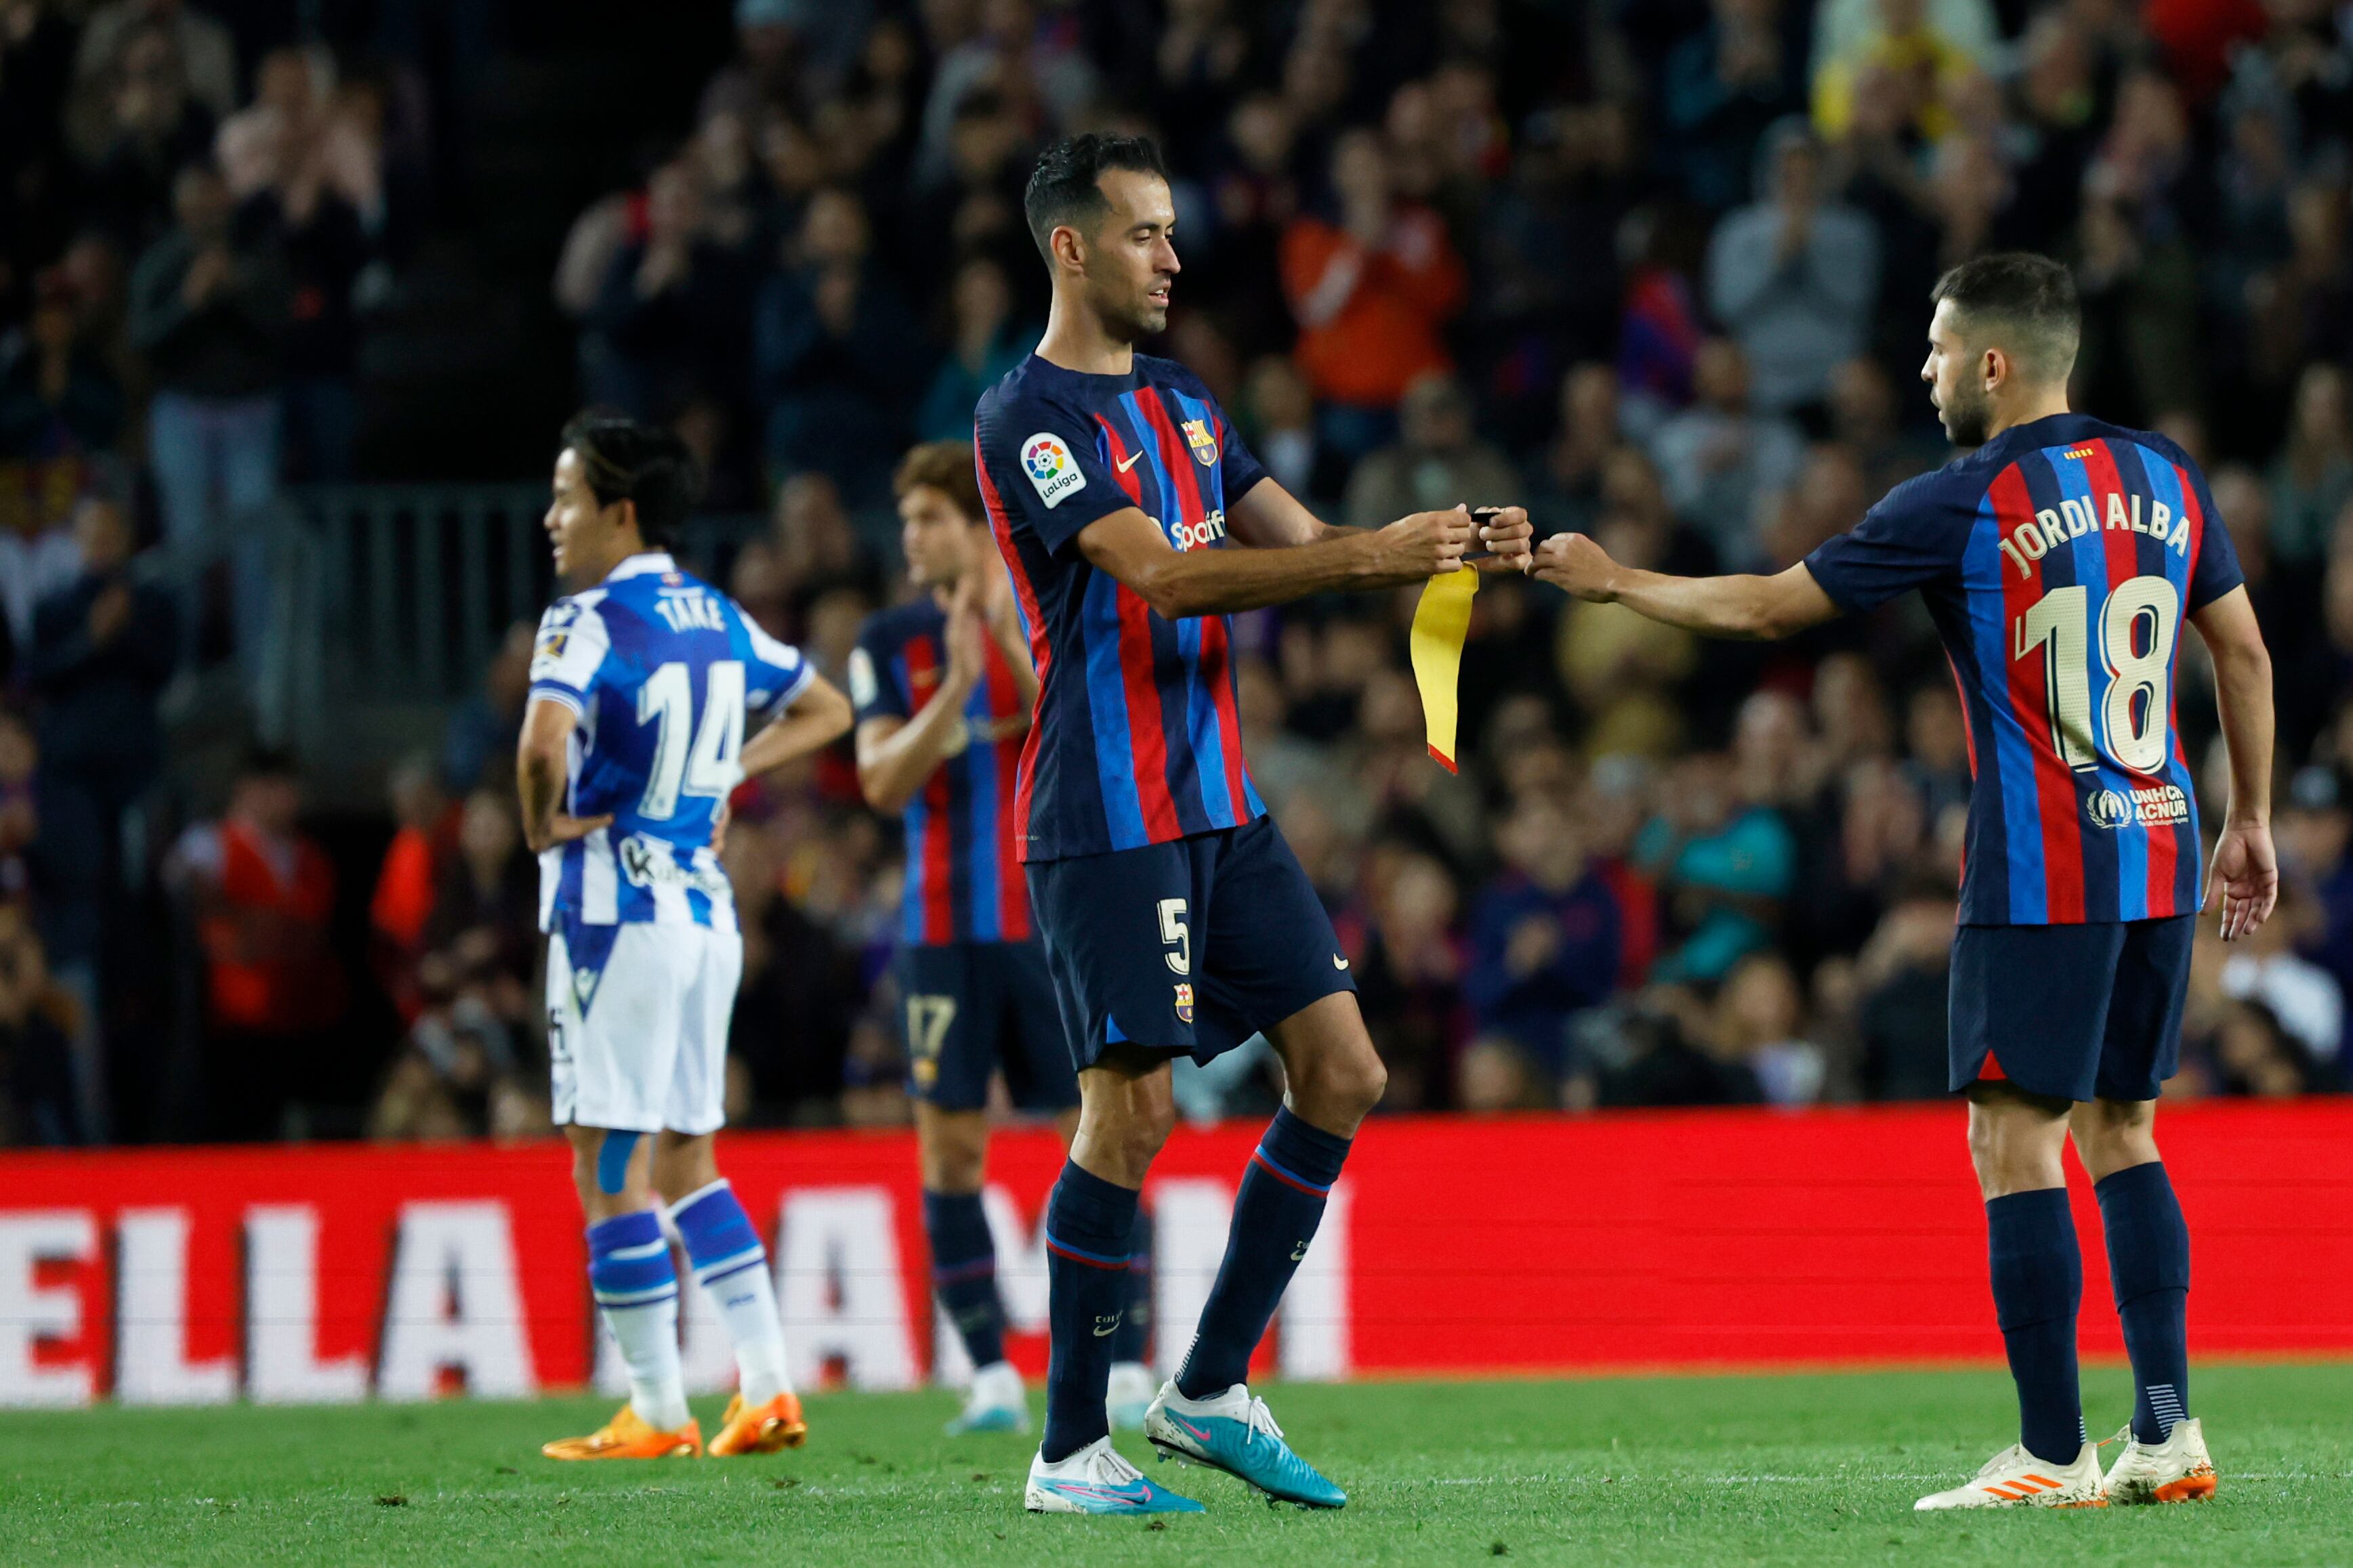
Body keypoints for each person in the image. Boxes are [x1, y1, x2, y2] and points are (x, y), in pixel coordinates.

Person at [1528, 253, 2274, 1510]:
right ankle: (2167, 1430)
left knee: (2010, 1136)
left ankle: (2050, 1457)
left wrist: (1616, 583)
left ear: (1992, 361)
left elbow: (1770, 611)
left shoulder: (1964, 498)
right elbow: (2242, 651)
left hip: (2042, 868)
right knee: (2125, 1131)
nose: (1924, 374)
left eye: (1934, 352)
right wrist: (2246, 818)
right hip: (2157, 843)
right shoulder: (2163, 473)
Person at [976, 134, 1531, 1516]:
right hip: (1109, 817)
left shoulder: (1186, 404)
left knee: (1343, 1072)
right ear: (1072, 248)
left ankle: (1210, 1389)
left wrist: (1446, 545)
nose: (1173, 256)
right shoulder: (1027, 420)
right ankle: (1066, 1457)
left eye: (1171, 232)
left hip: (1222, 806)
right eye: (1149, 233)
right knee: (1135, 1112)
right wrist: (1371, 553)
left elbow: (1306, 541)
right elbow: (1167, 578)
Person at [516, 410, 854, 1462]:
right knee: (688, 1158)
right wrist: (730, 776)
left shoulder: (582, 620)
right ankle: (766, 1386)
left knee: (607, 1166)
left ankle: (658, 1406)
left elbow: (541, 748)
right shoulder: (714, 615)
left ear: (620, 510)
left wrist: (542, 827)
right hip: (705, 918)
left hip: (615, 920)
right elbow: (828, 708)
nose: (550, 518)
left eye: (567, 498)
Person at [850, 440, 1153, 1435]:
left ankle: (1129, 1356)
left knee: (1108, 1125)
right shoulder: (886, 642)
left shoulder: (1044, 610)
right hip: (938, 933)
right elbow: (879, 782)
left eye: (930, 518)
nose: (912, 537)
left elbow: (1072, 711)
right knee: (947, 1154)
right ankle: (987, 1375)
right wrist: (951, 690)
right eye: (905, 520)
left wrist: (995, 635)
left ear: (979, 528)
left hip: (1048, 918)